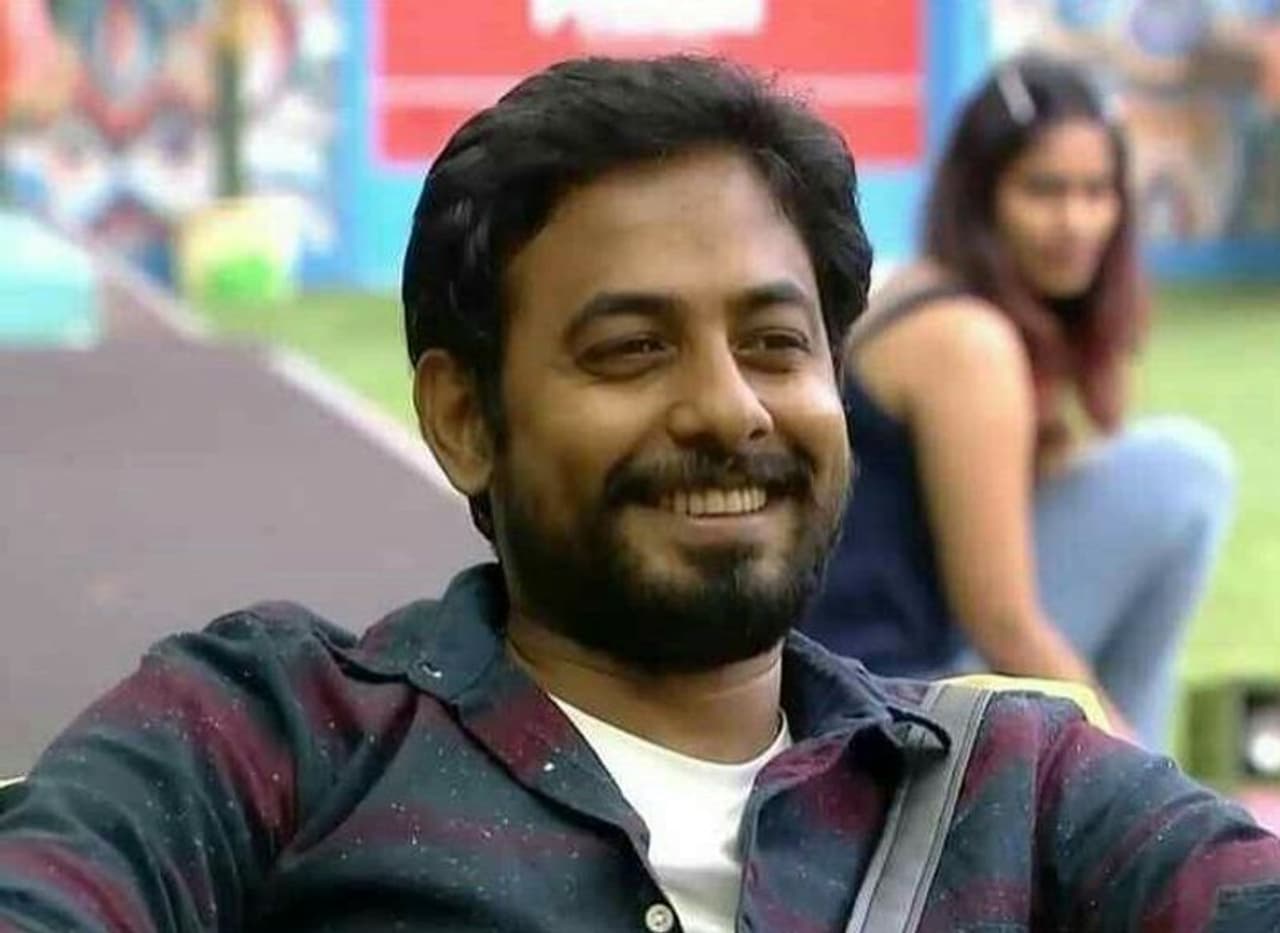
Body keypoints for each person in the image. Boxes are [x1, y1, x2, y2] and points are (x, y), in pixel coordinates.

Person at [1, 55, 1276, 933]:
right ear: (463, 419)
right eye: (630, 349)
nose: (729, 408)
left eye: (774, 344)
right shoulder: (273, 736)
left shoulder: (1017, 788)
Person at [802, 53, 1236, 750]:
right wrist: (1140, 771)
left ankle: (1115, 777)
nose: (1076, 221)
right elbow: (1003, 623)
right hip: (889, 700)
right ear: (981, 197)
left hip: (864, 679)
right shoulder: (966, 339)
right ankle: (1133, 783)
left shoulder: (936, 290)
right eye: (1044, 190)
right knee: (1185, 471)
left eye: (1097, 191)